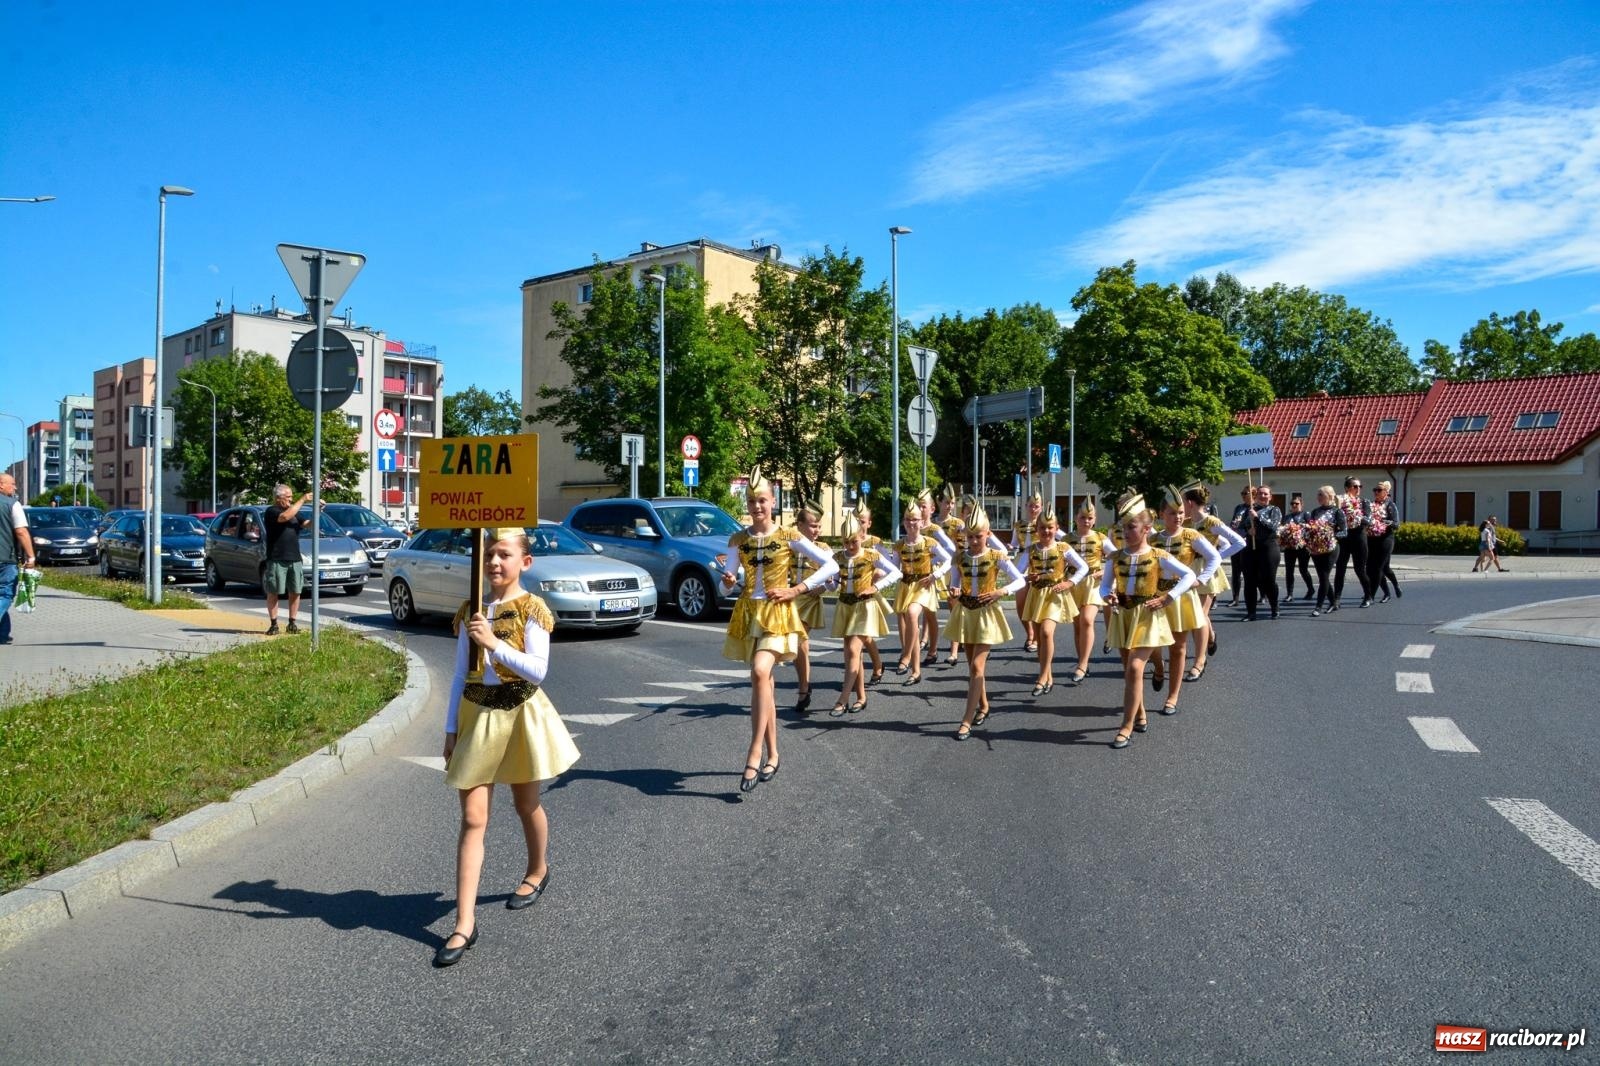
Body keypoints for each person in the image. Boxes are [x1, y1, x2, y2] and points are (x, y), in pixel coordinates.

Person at [436, 527, 580, 968]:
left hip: (520, 712)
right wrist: (449, 730)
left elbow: (537, 671)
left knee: (526, 802)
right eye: (489, 555)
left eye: (504, 554)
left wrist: (494, 643)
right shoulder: (471, 610)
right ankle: (464, 922)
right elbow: (460, 674)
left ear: (524, 563)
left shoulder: (533, 608)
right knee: (473, 817)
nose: (495, 563)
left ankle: (538, 869)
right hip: (476, 714)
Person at [721, 469, 838, 792]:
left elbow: (831, 566)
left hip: (779, 613)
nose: (757, 506)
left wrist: (796, 589)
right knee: (764, 685)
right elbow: (726, 584)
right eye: (751, 501)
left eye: (762, 500)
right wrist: (728, 581)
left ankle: (753, 752)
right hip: (749, 614)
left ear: (773, 501)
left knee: (760, 672)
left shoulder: (788, 536)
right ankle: (773, 753)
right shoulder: (737, 539)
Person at [1100, 493, 1196, 749]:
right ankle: (1139, 714)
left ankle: (1126, 725)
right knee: (1127, 667)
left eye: (1131, 527)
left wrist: (1169, 597)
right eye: (1124, 527)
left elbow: (1188, 575)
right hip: (1123, 615)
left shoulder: (1158, 555)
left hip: (1147, 616)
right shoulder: (1115, 557)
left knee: (1134, 667)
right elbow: (1104, 585)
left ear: (1145, 529)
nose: (1126, 532)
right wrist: (1107, 596)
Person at [948, 503, 1024, 741]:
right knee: (972, 666)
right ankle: (983, 706)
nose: (973, 541)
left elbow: (1019, 580)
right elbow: (954, 582)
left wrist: (1000, 592)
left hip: (987, 614)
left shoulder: (996, 557)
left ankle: (966, 721)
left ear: (987, 534)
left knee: (977, 667)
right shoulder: (959, 557)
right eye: (970, 537)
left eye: (978, 536)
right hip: (966, 613)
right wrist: (953, 590)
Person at [827, 514, 902, 715]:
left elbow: (896, 573)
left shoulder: (871, 555)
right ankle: (861, 697)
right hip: (845, 606)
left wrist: (875, 587)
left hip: (864, 607)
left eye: (854, 541)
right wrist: (829, 583)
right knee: (853, 655)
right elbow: (834, 585)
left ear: (862, 536)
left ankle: (843, 698)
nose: (850, 546)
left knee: (853, 650)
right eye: (846, 542)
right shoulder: (837, 558)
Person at [1153, 493, 1222, 712]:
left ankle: (1172, 697)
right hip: (1156, 597)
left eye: (1181, 512)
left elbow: (1215, 557)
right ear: (1162, 514)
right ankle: (1157, 667)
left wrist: (1201, 579)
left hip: (1182, 596)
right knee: (1152, 644)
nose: (1178, 517)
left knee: (1178, 647)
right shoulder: (1153, 539)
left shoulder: (1191, 535)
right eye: (1172, 513)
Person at [1016, 507, 1088, 696]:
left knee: (1047, 633)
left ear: (1056, 528)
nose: (1046, 531)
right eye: (1042, 528)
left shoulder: (1063, 548)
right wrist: (1027, 577)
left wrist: (1070, 582)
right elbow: (1018, 573)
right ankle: (1048, 676)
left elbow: (1083, 567)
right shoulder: (1031, 550)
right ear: (1036, 529)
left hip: (1055, 596)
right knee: (1040, 639)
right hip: (1037, 595)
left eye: (1050, 527)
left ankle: (1041, 676)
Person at [885, 501, 950, 688]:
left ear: (921, 522)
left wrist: (935, 575)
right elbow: (895, 569)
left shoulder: (930, 543)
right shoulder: (899, 545)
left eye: (914, 519)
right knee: (908, 620)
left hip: (923, 585)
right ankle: (915, 668)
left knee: (913, 615)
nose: (911, 523)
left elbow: (948, 559)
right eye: (907, 519)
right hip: (906, 586)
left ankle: (909, 659)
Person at [1181, 484, 1245, 677]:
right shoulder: (1186, 523)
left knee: (1199, 615)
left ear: (1190, 503)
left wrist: (1216, 556)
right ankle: (1210, 637)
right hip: (1189, 572)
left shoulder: (1211, 522)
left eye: (1183, 501)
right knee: (1196, 615)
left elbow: (1239, 542)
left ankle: (1200, 661)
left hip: (1207, 572)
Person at [1067, 500, 1115, 683]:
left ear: (1094, 519)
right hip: (1073, 584)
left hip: (1093, 585)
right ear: (1075, 518)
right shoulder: (1066, 540)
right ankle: (1082, 661)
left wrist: (1104, 571)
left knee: (1087, 621)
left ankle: (1083, 664)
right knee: (1078, 625)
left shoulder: (1101, 538)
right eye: (1082, 517)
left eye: (1090, 518)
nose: (1086, 521)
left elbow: (1117, 558)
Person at [790, 498, 829, 715]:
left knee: (800, 640)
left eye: (819, 526)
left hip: (810, 600)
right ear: (800, 526)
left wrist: (822, 587)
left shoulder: (823, 548)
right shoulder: (791, 546)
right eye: (813, 526)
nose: (817, 530)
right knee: (796, 645)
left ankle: (804, 688)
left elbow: (834, 576)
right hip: (791, 598)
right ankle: (804, 683)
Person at [263, 484, 313, 635]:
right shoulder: (272, 511)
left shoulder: (294, 512)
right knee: (274, 591)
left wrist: (318, 512)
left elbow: (308, 525)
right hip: (277, 557)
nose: (291, 500)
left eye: (292, 497)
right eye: (288, 497)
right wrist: (303, 499)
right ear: (278, 498)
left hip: (294, 558)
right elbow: (284, 517)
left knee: (296, 591)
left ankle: (292, 623)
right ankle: (274, 624)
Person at [851, 497, 888, 687]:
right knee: (862, 636)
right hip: (852, 594)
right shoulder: (849, 539)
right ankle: (871, 667)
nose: (859, 524)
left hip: (870, 591)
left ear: (869, 523)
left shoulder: (875, 542)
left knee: (864, 635)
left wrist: (877, 576)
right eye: (856, 520)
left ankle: (875, 666)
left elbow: (886, 564)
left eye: (862, 521)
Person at [1235, 483, 1284, 620]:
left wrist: (1257, 517)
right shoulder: (1249, 510)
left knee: (1269, 580)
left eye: (1265, 494)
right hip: (1251, 547)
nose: (1262, 496)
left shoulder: (1274, 510)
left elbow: (1273, 526)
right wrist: (1247, 530)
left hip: (1268, 547)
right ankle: (1251, 612)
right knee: (1249, 581)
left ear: (1270, 497)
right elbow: (1240, 528)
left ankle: (1275, 607)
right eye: (1260, 494)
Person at [0, 472, 38, 646]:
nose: (15, 487)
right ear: (1, 485)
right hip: (5, 559)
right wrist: (31, 556)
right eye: (12, 484)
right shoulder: (12, 505)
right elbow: (21, 531)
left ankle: (2, 633)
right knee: (5, 594)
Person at [1012, 482, 1045, 652]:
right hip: (1023, 559)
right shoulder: (1019, 525)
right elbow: (1014, 543)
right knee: (1020, 601)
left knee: (1037, 600)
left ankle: (1038, 637)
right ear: (1026, 506)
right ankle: (1030, 633)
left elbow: (1062, 537)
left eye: (1036, 506)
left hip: (1040, 561)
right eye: (1031, 505)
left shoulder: (1045, 524)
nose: (1033, 509)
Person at [1304, 486, 1346, 616]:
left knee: (1324, 576)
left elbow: (1344, 531)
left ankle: (1318, 606)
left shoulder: (1337, 512)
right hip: (1316, 548)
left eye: (1321, 495)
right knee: (1323, 577)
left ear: (1329, 496)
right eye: (1318, 495)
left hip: (1331, 547)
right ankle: (1333, 602)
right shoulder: (1315, 511)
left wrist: (1330, 535)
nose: (1318, 497)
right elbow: (1311, 528)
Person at [1333, 476, 1372, 608]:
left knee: (1359, 569)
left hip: (1359, 536)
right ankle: (1336, 599)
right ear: (1347, 488)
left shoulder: (1364, 502)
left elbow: (1368, 519)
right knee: (1340, 568)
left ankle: (1368, 595)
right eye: (1355, 486)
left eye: (1359, 486)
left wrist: (1357, 516)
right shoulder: (1340, 500)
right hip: (1344, 537)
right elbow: (1335, 517)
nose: (1358, 489)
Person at [1366, 480, 1401, 602]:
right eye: (1375, 490)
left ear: (1386, 492)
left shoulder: (1390, 505)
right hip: (1372, 539)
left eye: (1379, 490)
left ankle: (1371, 595)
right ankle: (1389, 591)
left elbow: (1396, 524)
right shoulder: (1370, 505)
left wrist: (1383, 522)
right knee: (1379, 568)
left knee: (1378, 568)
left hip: (1386, 539)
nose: (1376, 492)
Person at [1280, 494, 1314, 601]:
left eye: (1297, 503)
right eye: (1292, 504)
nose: (1294, 505)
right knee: (1289, 570)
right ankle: (1290, 594)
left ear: (1301, 505)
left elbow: (1312, 527)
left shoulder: (1306, 514)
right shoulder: (1287, 517)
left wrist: (1302, 526)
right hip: (1290, 547)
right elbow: (1282, 529)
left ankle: (1311, 589)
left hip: (1302, 547)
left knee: (1303, 569)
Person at [1227, 486, 1252, 606]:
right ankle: (1235, 598)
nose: (1242, 495)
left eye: (1245, 493)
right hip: (1236, 543)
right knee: (1235, 571)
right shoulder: (1239, 507)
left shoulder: (1254, 508)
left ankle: (1262, 595)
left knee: (1250, 572)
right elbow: (1234, 522)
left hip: (1248, 543)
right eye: (1241, 493)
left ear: (1252, 494)